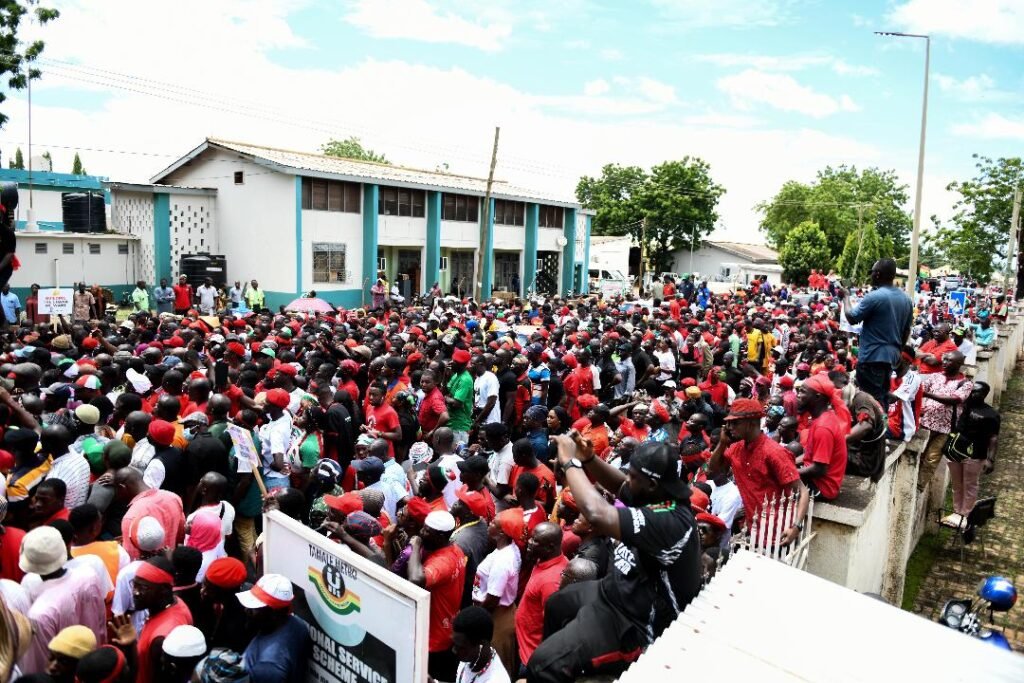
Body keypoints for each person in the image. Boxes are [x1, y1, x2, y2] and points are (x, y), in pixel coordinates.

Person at [527, 437, 702, 682]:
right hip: (614, 592)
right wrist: (589, 458)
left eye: (633, 477)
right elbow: (620, 485)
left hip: (636, 622)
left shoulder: (671, 522)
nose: (627, 482)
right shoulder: (655, 493)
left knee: (541, 665)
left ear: (652, 484)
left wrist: (571, 463)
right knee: (557, 604)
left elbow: (597, 514)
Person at [708, 399, 809, 545]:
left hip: (780, 532)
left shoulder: (774, 452)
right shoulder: (737, 448)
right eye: (728, 423)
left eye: (735, 423)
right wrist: (723, 443)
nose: (729, 427)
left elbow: (802, 491)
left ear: (751, 423)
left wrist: (796, 526)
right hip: (755, 529)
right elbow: (712, 470)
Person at [18, 526, 106, 673]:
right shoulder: (89, 576)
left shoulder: (39, 614)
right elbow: (101, 628)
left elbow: (41, 666)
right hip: (97, 668)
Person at [841, 259, 913, 410]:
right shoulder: (906, 299)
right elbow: (906, 331)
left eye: (872, 273)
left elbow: (852, 317)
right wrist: (897, 351)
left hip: (872, 357)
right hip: (890, 358)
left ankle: (876, 431)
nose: (871, 276)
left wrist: (846, 296)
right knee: (881, 396)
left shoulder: (874, 297)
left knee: (870, 401)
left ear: (878, 274)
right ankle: (882, 428)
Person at [406, 510, 466, 680]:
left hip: (434, 638)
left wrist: (415, 546)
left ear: (440, 536)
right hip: (446, 628)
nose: (421, 533)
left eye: (426, 531)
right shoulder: (455, 550)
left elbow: (415, 580)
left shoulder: (442, 562)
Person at [236, 573, 311, 681]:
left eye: (255, 608)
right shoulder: (297, 625)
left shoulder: (268, 666)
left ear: (274, 613)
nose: (247, 610)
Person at [945, 381, 1000, 526]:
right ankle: (957, 512)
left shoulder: (991, 414)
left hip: (976, 454)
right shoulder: (964, 405)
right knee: (957, 484)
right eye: (971, 390)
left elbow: (993, 438)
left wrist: (990, 459)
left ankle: (966, 515)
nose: (972, 393)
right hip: (956, 451)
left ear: (984, 394)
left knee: (969, 485)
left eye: (976, 391)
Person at [917, 351, 972, 495]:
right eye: (944, 360)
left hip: (946, 428)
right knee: (919, 454)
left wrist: (928, 395)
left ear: (959, 364)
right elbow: (919, 389)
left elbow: (954, 400)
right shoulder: (935, 377)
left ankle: (919, 487)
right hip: (926, 422)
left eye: (949, 361)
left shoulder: (965, 384)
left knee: (931, 458)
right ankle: (913, 481)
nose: (945, 363)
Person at [515, 522, 567, 667]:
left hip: (531, 656)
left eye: (535, 540)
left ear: (550, 547)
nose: (529, 542)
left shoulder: (552, 582)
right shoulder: (543, 558)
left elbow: (553, 627)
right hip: (524, 643)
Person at [796, 375, 849, 500]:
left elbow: (820, 469)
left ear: (817, 397)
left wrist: (790, 473)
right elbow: (812, 455)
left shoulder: (823, 427)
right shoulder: (823, 418)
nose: (797, 395)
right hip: (816, 478)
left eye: (802, 391)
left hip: (822, 487)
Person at [451, 606, 512, 683]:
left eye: (461, 647)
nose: (454, 651)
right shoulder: (470, 658)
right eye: (455, 645)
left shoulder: (496, 680)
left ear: (481, 645)